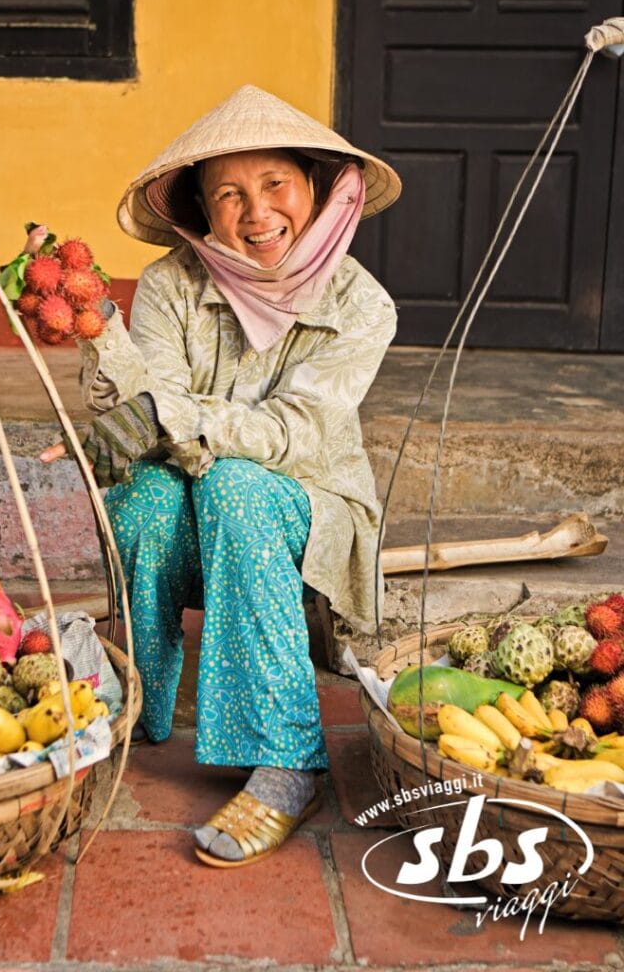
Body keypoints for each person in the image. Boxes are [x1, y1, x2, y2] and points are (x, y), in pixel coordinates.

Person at [39, 85, 401, 867]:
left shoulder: (363, 304)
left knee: (234, 485)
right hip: (197, 486)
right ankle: (136, 704)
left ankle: (288, 759)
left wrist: (165, 420)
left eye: (275, 185)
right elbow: (144, 399)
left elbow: (293, 434)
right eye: (228, 194)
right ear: (201, 209)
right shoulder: (173, 284)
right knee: (139, 500)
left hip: (312, 504)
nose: (256, 212)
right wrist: (96, 330)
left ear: (314, 185)